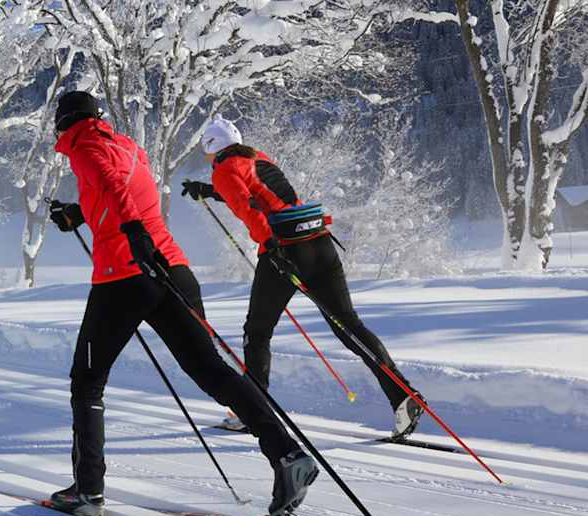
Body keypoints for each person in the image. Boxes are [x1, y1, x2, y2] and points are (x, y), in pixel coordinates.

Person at [46, 91, 317, 516]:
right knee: (211, 370)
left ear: (64, 124)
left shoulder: (85, 145)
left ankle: (88, 490)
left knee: (87, 380)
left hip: (125, 274)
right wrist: (81, 214)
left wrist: (132, 232)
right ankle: (287, 455)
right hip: (172, 267)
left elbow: (113, 187)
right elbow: (122, 190)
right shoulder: (126, 146)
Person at [181, 116, 424, 439]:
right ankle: (402, 396)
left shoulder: (223, 168)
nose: (207, 159)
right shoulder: (258, 157)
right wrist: (210, 192)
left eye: (206, 152)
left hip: (285, 250)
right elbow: (262, 195)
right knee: (348, 325)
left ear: (212, 148)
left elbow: (249, 208)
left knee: (257, 331)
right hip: (319, 243)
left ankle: (252, 409)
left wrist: (271, 247)